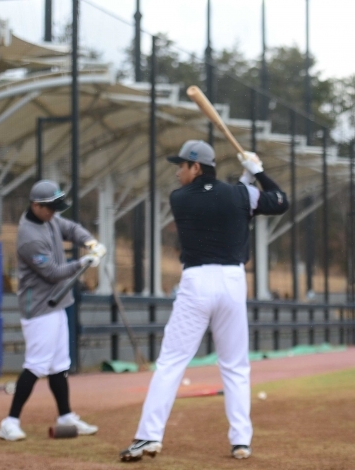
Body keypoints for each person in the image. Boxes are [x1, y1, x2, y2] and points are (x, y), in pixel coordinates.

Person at [119, 140, 288, 462]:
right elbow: (279, 201)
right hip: (232, 282)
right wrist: (256, 173)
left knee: (171, 363)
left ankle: (148, 437)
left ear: (196, 167)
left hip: (196, 282)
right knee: (235, 366)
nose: (178, 172)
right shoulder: (240, 194)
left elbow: (220, 198)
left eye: (182, 166)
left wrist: (245, 177)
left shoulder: (179, 198)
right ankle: (241, 442)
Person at [0, 180, 106, 441]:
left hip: (58, 304)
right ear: (35, 206)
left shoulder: (50, 219)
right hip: (39, 307)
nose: (54, 213)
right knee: (36, 365)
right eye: (50, 208)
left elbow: (70, 228)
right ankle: (9, 421)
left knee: (59, 365)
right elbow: (52, 273)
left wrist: (90, 242)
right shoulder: (29, 238)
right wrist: (83, 262)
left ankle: (66, 415)